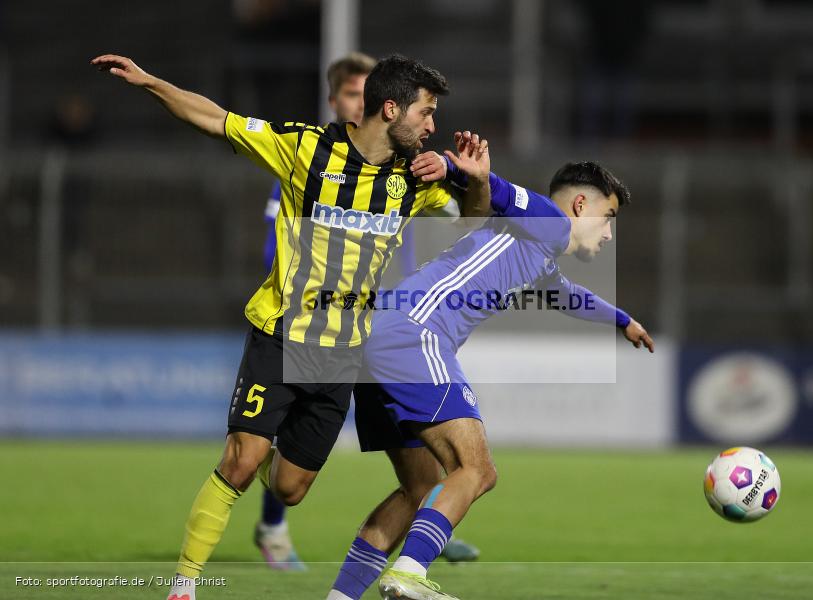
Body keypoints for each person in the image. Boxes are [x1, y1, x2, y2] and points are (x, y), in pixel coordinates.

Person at [90, 52, 492, 600]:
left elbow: (473, 220)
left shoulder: (415, 177)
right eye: (426, 112)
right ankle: (183, 586)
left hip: (342, 354)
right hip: (280, 333)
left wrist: (476, 179)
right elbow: (216, 118)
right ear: (391, 108)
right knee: (240, 460)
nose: (432, 125)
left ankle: (269, 482)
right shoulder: (307, 147)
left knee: (290, 486)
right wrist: (148, 81)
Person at [325, 157, 654, 600]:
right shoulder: (551, 221)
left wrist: (621, 319)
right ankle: (408, 572)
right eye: (608, 218)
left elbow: (567, 296)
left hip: (379, 334)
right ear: (580, 204)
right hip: (416, 335)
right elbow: (494, 187)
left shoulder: (538, 251)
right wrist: (450, 165)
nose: (609, 233)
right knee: (477, 470)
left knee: (420, 488)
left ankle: (340, 597)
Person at [255, 53, 480, 570]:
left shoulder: (408, 176)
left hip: (386, 330)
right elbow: (277, 249)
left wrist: (463, 177)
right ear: (338, 103)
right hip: (318, 325)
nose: (361, 103)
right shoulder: (307, 163)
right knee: (284, 459)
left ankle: (428, 529)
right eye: (351, 95)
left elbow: (465, 218)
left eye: (366, 93)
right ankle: (273, 527)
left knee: (426, 471)